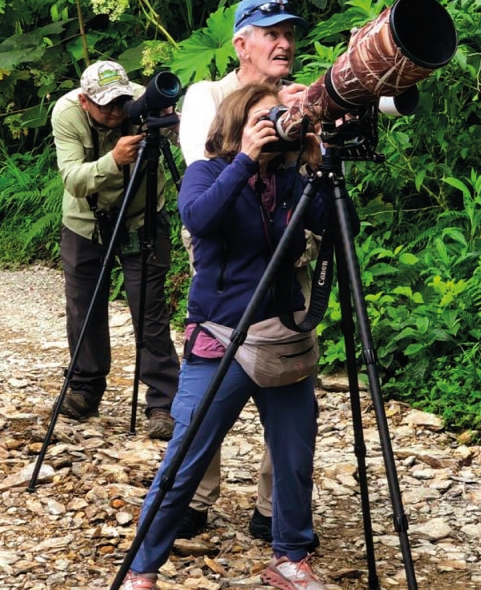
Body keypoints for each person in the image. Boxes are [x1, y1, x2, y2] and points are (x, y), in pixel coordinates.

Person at [122, 83, 329, 590]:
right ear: (236, 125)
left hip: (282, 337)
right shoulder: (207, 172)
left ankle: (291, 556)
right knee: (186, 456)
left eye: (281, 116)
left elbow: (338, 226)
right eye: (265, 116)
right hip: (220, 339)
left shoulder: (291, 179)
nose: (277, 122)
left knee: (294, 455)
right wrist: (246, 161)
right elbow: (200, 217)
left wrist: (317, 164)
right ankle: (142, 567)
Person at [177, 0, 314, 543]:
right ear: (241, 44)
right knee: (214, 371)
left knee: (287, 366)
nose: (284, 43)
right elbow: (202, 172)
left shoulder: (298, 101)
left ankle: (271, 506)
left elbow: (310, 189)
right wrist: (260, 134)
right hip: (226, 253)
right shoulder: (206, 95)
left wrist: (309, 125)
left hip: (286, 247)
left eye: (289, 34)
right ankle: (194, 498)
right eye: (270, 33)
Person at [50, 61, 180, 440]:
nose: (114, 111)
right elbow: (73, 179)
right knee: (84, 307)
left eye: (120, 102)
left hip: (143, 219)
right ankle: (85, 389)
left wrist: (173, 121)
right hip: (85, 222)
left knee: (149, 307)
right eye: (104, 104)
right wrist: (113, 160)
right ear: (84, 99)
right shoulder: (67, 112)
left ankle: (163, 403)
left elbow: (194, 139)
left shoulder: (145, 102)